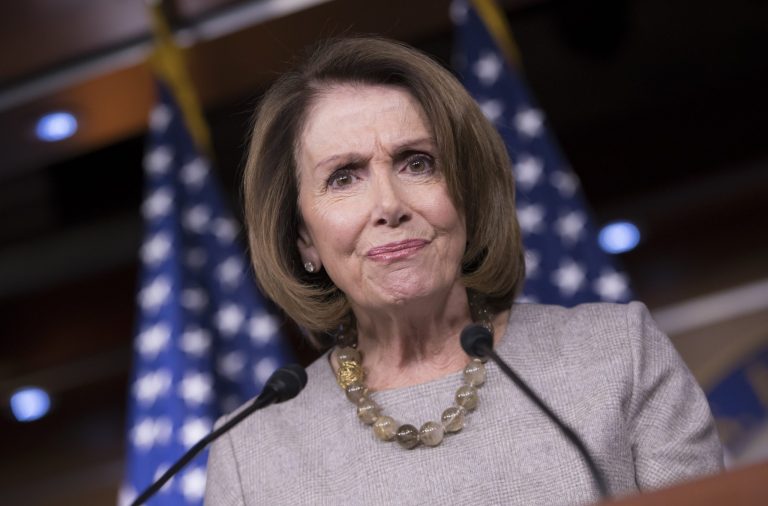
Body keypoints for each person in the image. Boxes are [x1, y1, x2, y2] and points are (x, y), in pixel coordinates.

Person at [204, 37, 722, 505]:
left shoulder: (617, 356)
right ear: (303, 239)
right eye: (343, 177)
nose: (389, 204)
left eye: (417, 163)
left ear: (468, 196)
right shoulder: (251, 453)